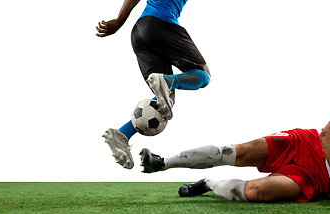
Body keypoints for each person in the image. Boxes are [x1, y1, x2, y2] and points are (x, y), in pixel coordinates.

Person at [96, 0, 211, 169]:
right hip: (162, 23)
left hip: (141, 31)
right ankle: (166, 80)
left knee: (168, 98)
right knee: (203, 75)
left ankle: (122, 134)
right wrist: (119, 20)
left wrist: (120, 21)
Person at [139, 122, 330, 203]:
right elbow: (326, 136)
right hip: (308, 143)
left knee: (257, 191)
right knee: (242, 152)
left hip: (317, 178)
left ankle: (207, 183)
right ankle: (162, 162)